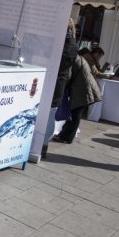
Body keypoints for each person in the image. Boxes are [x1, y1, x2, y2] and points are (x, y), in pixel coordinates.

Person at [41, 19, 78, 159]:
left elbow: (58, 63)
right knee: (49, 116)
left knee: (49, 116)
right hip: (57, 85)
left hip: (55, 84)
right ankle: (42, 146)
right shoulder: (70, 42)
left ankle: (42, 146)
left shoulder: (66, 43)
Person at [53, 53, 102, 144]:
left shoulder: (71, 58)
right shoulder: (76, 57)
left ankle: (66, 137)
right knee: (75, 114)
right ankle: (65, 135)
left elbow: (67, 76)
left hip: (82, 90)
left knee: (75, 114)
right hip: (85, 88)